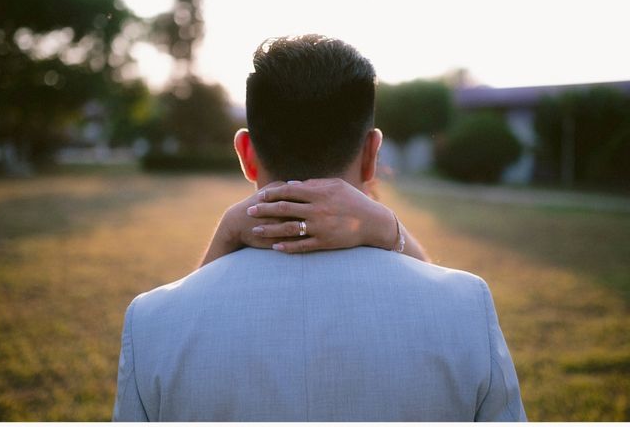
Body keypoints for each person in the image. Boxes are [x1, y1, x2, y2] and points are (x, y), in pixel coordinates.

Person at [113, 34, 526, 421]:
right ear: (371, 154)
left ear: (246, 154)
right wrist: (391, 229)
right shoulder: (466, 307)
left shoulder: (152, 322)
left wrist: (225, 238)